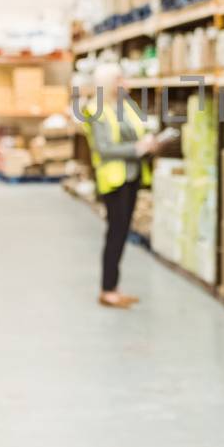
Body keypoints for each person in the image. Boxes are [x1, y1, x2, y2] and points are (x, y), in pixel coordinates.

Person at [81, 62, 161, 309]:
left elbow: (137, 131)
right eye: (119, 79)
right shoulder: (95, 110)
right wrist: (137, 149)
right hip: (114, 180)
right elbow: (104, 149)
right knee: (115, 233)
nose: (124, 82)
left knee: (122, 231)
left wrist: (150, 142)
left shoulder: (125, 106)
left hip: (133, 176)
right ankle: (107, 289)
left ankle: (114, 287)